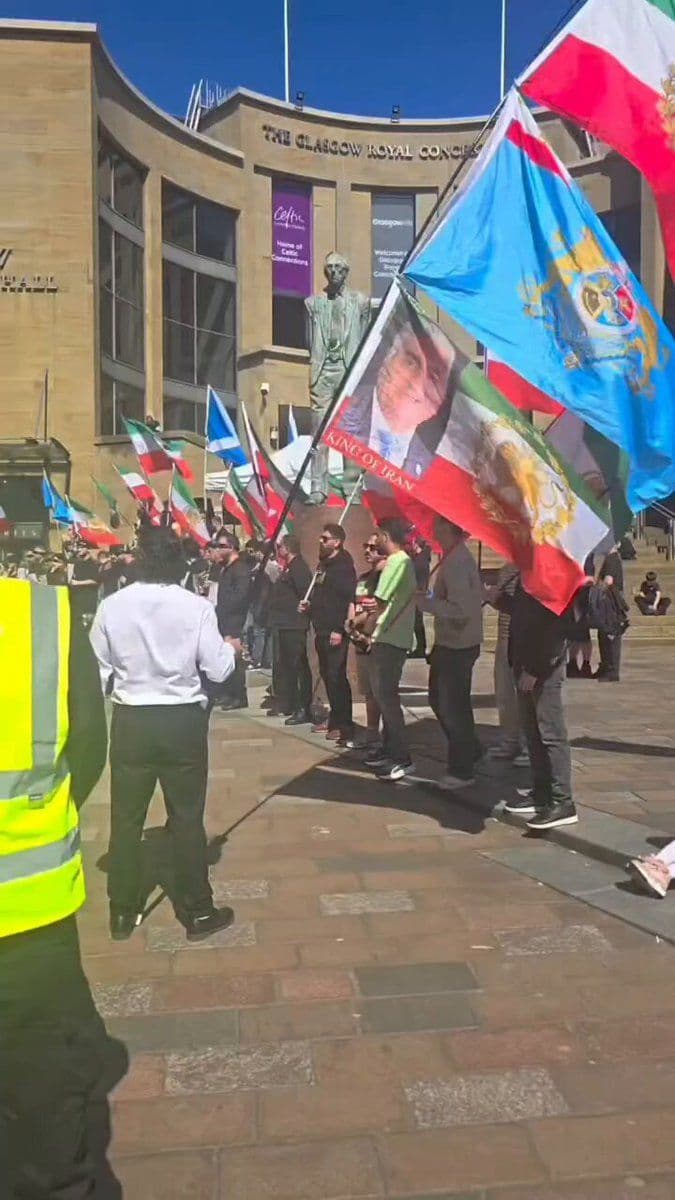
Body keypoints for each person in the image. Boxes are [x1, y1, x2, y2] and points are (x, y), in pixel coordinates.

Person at [1, 573, 109, 1198]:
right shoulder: (43, 614)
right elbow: (88, 748)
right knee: (48, 1130)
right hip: (29, 919)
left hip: (33, 922)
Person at [90, 525, 237, 941]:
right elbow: (218, 668)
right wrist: (231, 648)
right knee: (187, 817)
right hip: (180, 719)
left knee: (126, 816)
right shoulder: (195, 607)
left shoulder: (112, 606)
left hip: (133, 718)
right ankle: (197, 909)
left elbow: (97, 668)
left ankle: (122, 909)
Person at [493, 581, 577, 830]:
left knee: (551, 733)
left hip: (543, 668)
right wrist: (499, 600)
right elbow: (524, 612)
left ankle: (563, 801)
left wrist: (535, 668)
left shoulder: (551, 576)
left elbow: (556, 627)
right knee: (532, 732)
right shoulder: (528, 573)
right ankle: (541, 793)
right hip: (522, 661)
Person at [336, 318, 456, 479]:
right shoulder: (339, 414)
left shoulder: (439, 460)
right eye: (411, 363)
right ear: (388, 357)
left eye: (434, 377)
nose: (418, 384)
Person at [417, 518, 483, 789]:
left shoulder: (457, 562)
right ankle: (471, 748)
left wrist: (427, 604)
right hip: (449, 642)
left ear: (448, 529)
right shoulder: (451, 558)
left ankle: (462, 768)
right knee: (441, 699)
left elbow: (460, 609)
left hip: (459, 644)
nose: (432, 531)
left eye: (437, 527)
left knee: (451, 705)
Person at [364, 518, 417, 781]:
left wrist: (361, 626)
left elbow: (378, 603)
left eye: (377, 536)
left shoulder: (397, 562)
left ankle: (402, 758)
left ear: (385, 535)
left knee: (387, 698)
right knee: (382, 696)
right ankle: (389, 749)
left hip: (391, 638)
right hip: (389, 637)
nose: (375, 541)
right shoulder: (400, 562)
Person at [304, 523, 357, 743]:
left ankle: (343, 723)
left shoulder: (343, 566)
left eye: (325, 539)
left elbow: (345, 599)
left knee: (336, 677)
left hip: (335, 631)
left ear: (337, 542)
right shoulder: (323, 565)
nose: (320, 541)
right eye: (320, 537)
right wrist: (310, 607)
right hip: (321, 627)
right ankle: (335, 717)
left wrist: (338, 629)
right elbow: (322, 595)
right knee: (327, 675)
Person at [486, 563, 529, 765]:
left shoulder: (532, 568)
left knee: (523, 695)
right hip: (503, 635)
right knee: (504, 692)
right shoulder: (506, 569)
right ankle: (510, 739)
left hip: (522, 637)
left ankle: (528, 745)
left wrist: (498, 599)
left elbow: (525, 607)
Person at [346, 534, 388, 746]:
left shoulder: (387, 578)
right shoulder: (363, 578)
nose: (369, 550)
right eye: (366, 545)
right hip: (360, 641)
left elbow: (381, 608)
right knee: (369, 692)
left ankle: (385, 737)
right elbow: (354, 601)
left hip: (378, 641)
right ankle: (372, 733)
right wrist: (350, 620)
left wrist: (358, 620)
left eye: (375, 547)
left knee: (381, 691)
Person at [268, 534, 313, 724]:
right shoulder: (289, 568)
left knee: (298, 667)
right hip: (285, 624)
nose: (278, 551)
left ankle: (303, 708)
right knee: (288, 667)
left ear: (287, 548)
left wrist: (305, 606)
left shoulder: (299, 568)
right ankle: (292, 703)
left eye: (279, 547)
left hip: (295, 625)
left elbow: (306, 594)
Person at [213, 530, 252, 711]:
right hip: (224, 619)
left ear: (232, 547)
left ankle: (239, 695)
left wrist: (227, 609)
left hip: (235, 620)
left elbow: (241, 595)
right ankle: (228, 693)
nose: (218, 550)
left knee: (235, 659)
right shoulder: (227, 568)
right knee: (226, 658)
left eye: (221, 546)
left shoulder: (240, 568)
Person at [595, 546, 629, 682]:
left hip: (610, 604)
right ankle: (606, 667)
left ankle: (612, 670)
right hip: (610, 603)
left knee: (610, 636)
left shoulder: (611, 559)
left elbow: (608, 581)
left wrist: (596, 585)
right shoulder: (613, 559)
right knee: (604, 634)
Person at [567, 551, 595, 678]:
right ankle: (574, 663)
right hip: (574, 598)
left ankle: (585, 663)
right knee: (575, 634)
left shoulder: (586, 557)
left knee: (583, 634)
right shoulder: (577, 555)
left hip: (581, 599)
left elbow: (588, 579)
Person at [409, 534, 431, 658]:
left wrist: (420, 590)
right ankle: (420, 647)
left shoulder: (421, 560)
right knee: (416, 621)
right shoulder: (419, 558)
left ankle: (421, 647)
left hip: (418, 593)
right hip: (416, 593)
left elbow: (420, 577)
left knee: (417, 622)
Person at [68, 544, 101, 628]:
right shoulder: (76, 563)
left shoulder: (93, 564)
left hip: (88, 596)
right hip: (77, 596)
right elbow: (70, 579)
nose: (79, 549)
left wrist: (78, 583)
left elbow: (95, 581)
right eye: (79, 547)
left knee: (87, 622)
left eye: (82, 547)